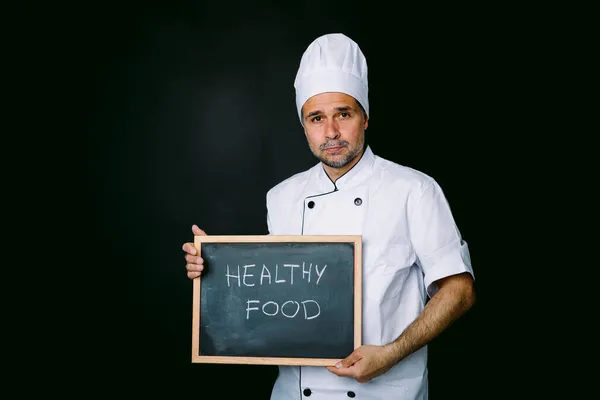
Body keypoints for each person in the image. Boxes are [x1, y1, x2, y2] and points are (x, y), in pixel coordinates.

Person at [182, 32, 475, 399]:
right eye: (317, 118)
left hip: (384, 393)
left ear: (365, 118)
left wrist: (390, 353)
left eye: (344, 114)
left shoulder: (414, 190)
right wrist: (214, 271)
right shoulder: (282, 197)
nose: (332, 132)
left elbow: (459, 290)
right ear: (303, 125)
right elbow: (276, 296)